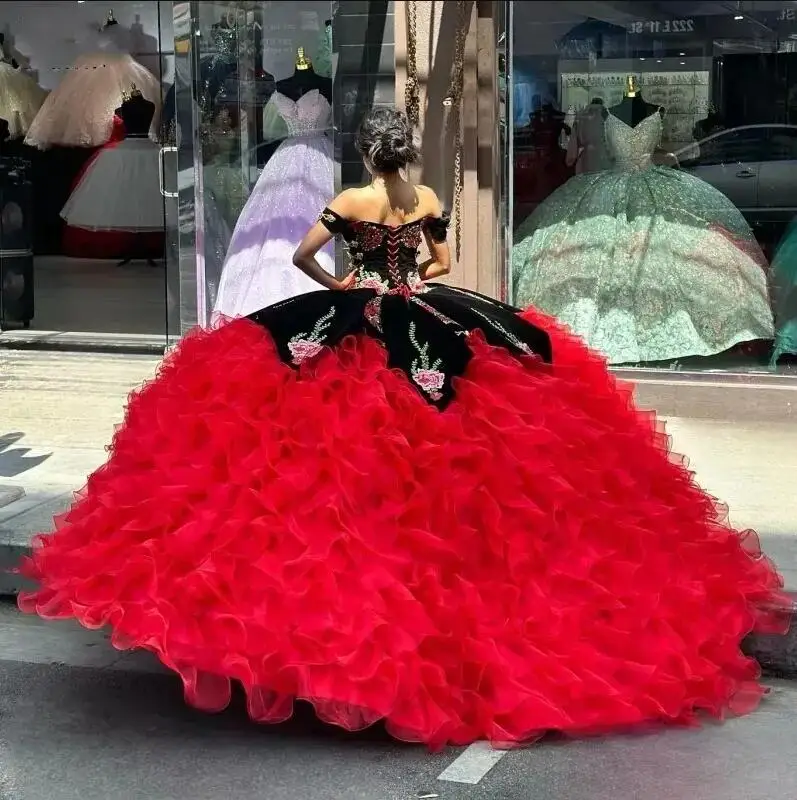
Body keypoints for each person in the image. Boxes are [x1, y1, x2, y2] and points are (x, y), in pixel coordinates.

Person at [18, 108, 787, 751]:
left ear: (363, 155)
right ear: (406, 157)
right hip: (422, 308)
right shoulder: (420, 198)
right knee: (475, 456)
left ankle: (319, 658)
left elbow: (303, 257)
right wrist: (412, 283)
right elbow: (443, 263)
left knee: (310, 468)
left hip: (351, 311)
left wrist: (342, 285)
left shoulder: (350, 204)